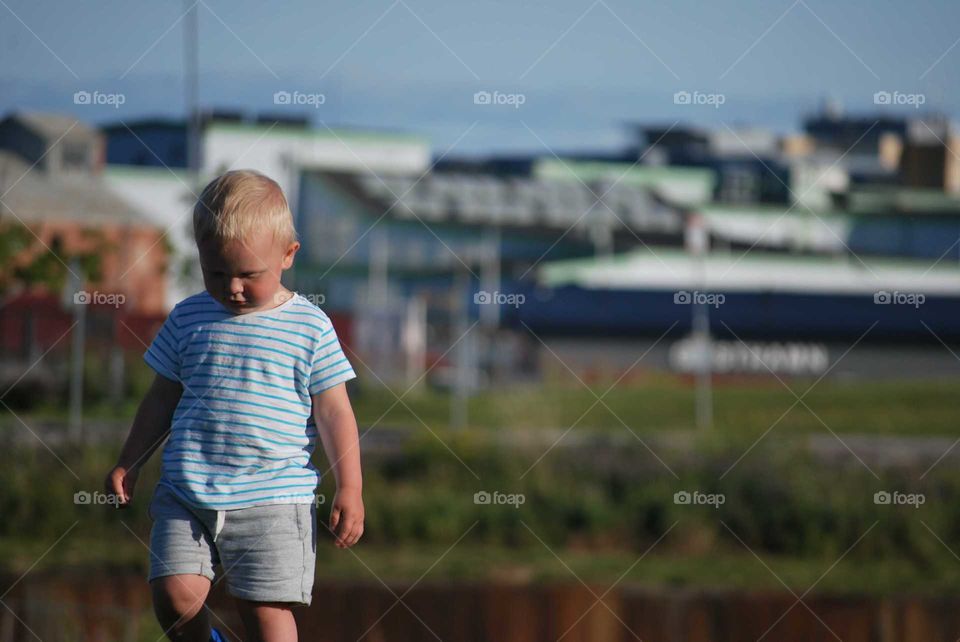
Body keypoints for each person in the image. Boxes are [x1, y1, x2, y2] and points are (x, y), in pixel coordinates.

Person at [104, 169, 364, 642]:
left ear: (288, 255)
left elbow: (334, 411)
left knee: (266, 615)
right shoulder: (189, 316)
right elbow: (163, 396)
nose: (233, 288)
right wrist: (130, 459)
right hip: (187, 491)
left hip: (273, 498)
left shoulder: (310, 326)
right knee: (175, 597)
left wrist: (350, 486)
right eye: (216, 272)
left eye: (248, 274)